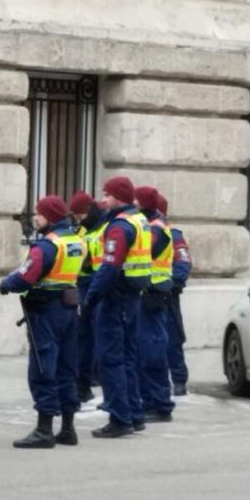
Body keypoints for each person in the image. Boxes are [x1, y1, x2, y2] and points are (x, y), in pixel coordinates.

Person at [0, 196, 83, 449]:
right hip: (69, 308)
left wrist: (6, 284)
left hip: (46, 311)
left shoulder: (47, 246)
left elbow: (25, 277)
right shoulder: (76, 241)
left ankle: (44, 430)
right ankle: (68, 428)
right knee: (67, 367)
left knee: (43, 366)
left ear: (50, 216)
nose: (35, 218)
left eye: (38, 214)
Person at [81, 176, 152, 439]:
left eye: (106, 195)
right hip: (131, 297)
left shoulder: (119, 227)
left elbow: (109, 267)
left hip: (115, 297)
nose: (102, 200)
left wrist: (91, 297)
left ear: (118, 197)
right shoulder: (138, 219)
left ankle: (120, 418)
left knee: (111, 359)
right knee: (128, 357)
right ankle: (134, 414)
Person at [134, 186, 175, 423]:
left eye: (135, 200)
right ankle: (150, 401)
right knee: (145, 350)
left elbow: (141, 253)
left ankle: (159, 404)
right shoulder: (150, 226)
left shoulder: (156, 229)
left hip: (153, 295)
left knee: (152, 351)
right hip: (147, 294)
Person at [69, 190, 105, 403]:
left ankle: (92, 378)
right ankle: (85, 382)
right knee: (83, 336)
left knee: (96, 334)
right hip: (82, 285)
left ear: (89, 210)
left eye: (79, 214)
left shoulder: (105, 228)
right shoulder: (82, 229)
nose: (77, 219)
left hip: (98, 285)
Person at [158, 195, 191, 395]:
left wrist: (171, 285)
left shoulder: (173, 235)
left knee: (172, 339)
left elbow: (182, 265)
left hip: (167, 296)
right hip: (149, 295)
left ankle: (179, 380)